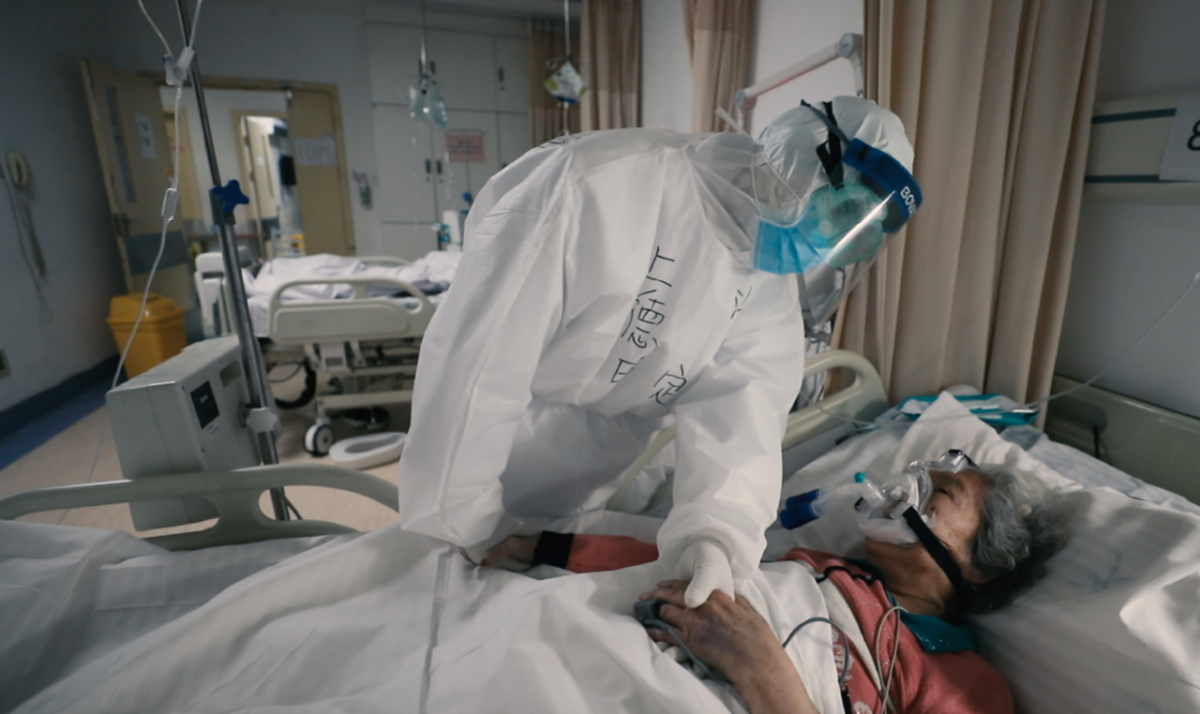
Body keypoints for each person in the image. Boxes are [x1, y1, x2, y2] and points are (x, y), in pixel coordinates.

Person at [397, 96, 921, 608]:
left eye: (857, 234)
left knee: (527, 591)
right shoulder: (592, 186)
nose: (833, 242)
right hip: (486, 430)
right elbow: (476, 370)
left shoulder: (769, 296)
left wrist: (715, 540)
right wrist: (463, 517)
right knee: (434, 585)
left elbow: (740, 431)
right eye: (844, 212)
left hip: (594, 453)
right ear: (810, 154)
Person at [478, 456, 1072, 714]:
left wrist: (764, 673)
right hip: (633, 643)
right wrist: (551, 548)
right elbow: (691, 566)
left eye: (939, 495)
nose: (906, 491)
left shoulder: (967, 686)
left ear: (977, 565)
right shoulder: (816, 567)